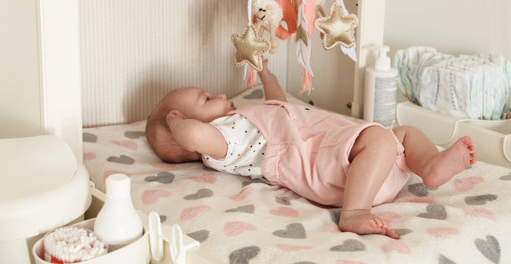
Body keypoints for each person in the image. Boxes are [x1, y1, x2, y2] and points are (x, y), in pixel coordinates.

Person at [146, 59, 476, 239]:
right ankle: (355, 213)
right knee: (378, 139)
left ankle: (430, 165)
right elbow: (191, 136)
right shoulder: (222, 142)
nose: (218, 94)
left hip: (366, 168)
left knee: (402, 134)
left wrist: (264, 70)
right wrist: (174, 123)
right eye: (206, 99)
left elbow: (279, 103)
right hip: (329, 169)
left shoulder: (243, 119)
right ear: (185, 121)